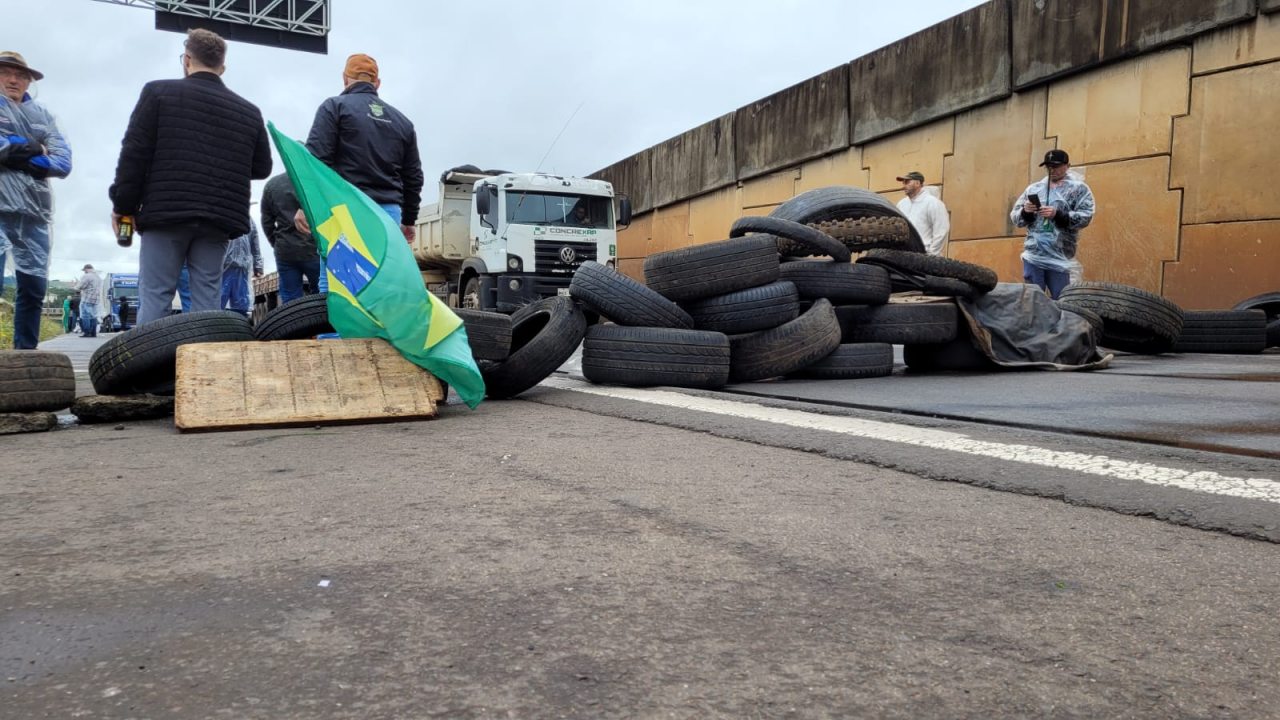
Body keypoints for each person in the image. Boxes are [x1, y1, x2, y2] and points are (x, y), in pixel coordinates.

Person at [110, 29, 272, 326]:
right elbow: (262, 167)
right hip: (217, 220)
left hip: (166, 211)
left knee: (156, 294)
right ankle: (204, 367)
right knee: (207, 301)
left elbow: (134, 154)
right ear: (222, 67)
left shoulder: (158, 92)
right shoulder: (249, 111)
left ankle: (150, 371)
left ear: (186, 60)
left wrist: (123, 206)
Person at [296, 53, 423, 294]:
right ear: (377, 83)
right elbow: (413, 176)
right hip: (387, 215)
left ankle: (335, 331)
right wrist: (408, 220)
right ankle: (374, 333)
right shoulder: (402, 122)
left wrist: (305, 204)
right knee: (378, 283)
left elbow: (315, 161)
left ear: (345, 79)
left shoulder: (334, 107)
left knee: (336, 280)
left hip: (344, 208)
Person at [0, 50, 72, 349]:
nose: (14, 79)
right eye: (6, 72)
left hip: (34, 213)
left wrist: (14, 153)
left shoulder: (44, 116)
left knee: (33, 288)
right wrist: (34, 147)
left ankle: (25, 355)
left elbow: (63, 162)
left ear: (29, 81)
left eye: (21, 75)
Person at [1011, 149, 1096, 299]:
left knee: (1061, 298)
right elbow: (1016, 218)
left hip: (1060, 255)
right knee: (1032, 299)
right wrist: (1026, 211)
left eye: (1056, 166)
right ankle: (1035, 323)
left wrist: (1058, 214)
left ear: (1067, 166)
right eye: (1048, 166)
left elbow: (1086, 216)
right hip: (1034, 255)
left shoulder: (1079, 190)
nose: (1052, 170)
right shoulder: (1034, 189)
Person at [261, 173, 320, 303]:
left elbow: (267, 222)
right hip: (313, 248)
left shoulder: (271, 185)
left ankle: (295, 322)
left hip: (285, 251)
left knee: (290, 299)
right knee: (321, 294)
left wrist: (276, 243)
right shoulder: (312, 179)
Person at [895, 171, 949, 256]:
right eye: (903, 183)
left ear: (917, 183)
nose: (904, 186)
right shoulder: (901, 204)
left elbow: (941, 230)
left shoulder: (933, 203)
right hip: (903, 256)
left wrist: (932, 255)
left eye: (907, 182)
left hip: (924, 256)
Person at [220, 220, 262, 316]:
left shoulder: (250, 221)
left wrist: (258, 266)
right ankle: (214, 326)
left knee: (241, 304)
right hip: (222, 267)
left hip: (242, 269)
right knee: (218, 301)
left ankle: (240, 326)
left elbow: (255, 245)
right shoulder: (224, 214)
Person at [74, 264, 102, 337]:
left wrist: (75, 287)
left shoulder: (87, 276)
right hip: (96, 300)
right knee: (93, 316)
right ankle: (93, 333)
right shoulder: (98, 277)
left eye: (84, 270)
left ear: (87, 269)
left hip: (87, 298)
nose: (84, 272)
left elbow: (80, 286)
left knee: (85, 316)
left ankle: (87, 332)